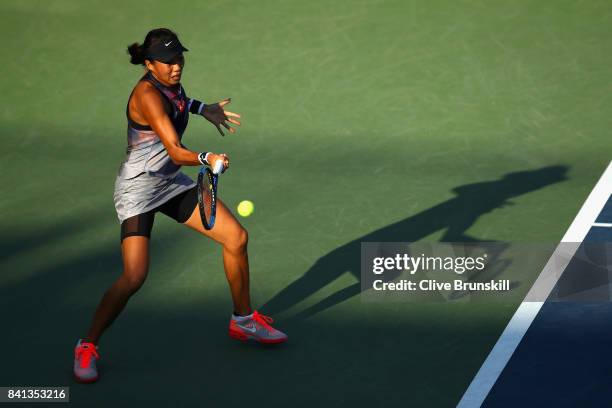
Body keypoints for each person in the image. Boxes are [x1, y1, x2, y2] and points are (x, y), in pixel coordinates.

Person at [73, 28, 287, 384]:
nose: (176, 67)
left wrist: (206, 109)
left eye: (179, 60)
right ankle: (87, 344)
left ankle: (243, 320)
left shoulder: (171, 84)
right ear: (149, 64)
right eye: (168, 62)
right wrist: (207, 157)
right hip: (139, 190)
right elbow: (174, 148)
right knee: (134, 276)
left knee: (236, 238)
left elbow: (182, 102)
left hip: (170, 183)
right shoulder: (146, 95)